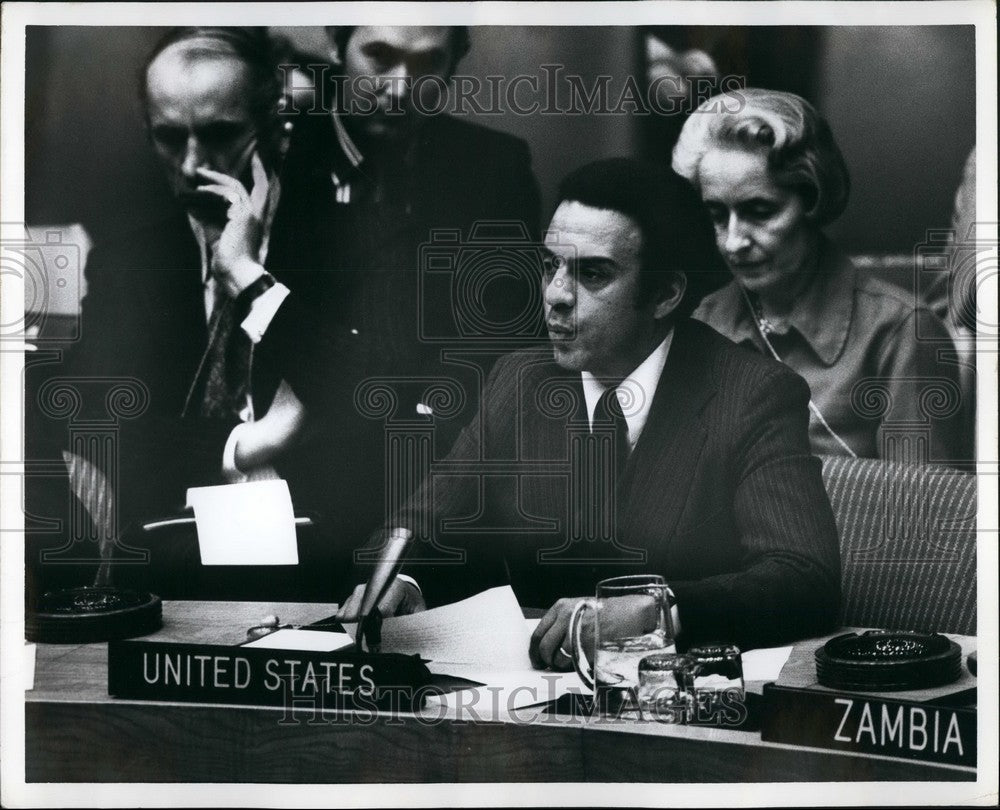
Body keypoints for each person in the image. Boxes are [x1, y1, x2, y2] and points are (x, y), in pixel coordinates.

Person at [338, 158, 842, 662]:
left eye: (592, 274)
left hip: (676, 694)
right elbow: (421, 523)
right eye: (550, 265)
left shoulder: (752, 395)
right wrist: (400, 578)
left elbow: (803, 581)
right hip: (528, 691)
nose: (556, 295)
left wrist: (657, 612)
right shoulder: (521, 380)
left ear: (665, 294)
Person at [25, 27, 363, 599]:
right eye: (168, 137)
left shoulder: (341, 240)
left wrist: (245, 274)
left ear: (273, 127)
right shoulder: (130, 257)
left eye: (220, 133)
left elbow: (364, 401)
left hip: (313, 551)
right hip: (168, 549)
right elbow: (110, 422)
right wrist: (252, 442)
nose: (190, 165)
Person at [272, 26, 543, 456]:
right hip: (284, 452)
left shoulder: (494, 169)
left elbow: (501, 349)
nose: (400, 89)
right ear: (336, 45)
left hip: (428, 458)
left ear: (454, 64)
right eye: (380, 56)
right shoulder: (278, 154)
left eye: (428, 63)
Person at [674, 88, 964, 463]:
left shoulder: (899, 334)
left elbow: (920, 498)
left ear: (813, 200)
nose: (733, 242)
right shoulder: (700, 323)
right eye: (716, 215)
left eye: (760, 212)